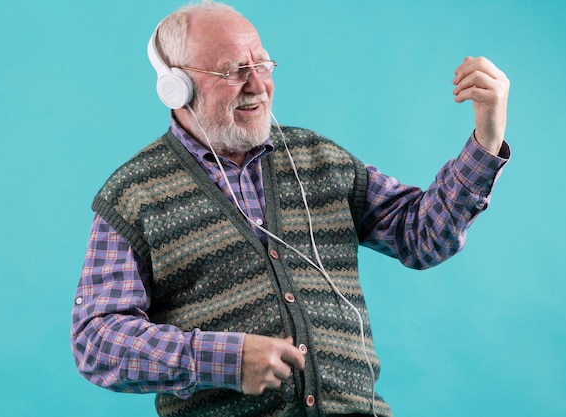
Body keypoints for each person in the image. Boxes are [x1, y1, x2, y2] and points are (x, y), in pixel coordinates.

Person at [70, 1, 510, 416]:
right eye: (235, 71)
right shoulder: (134, 194)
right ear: (176, 86)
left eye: (262, 64)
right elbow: (97, 341)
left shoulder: (318, 159)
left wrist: (487, 138)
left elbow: (423, 236)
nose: (258, 84)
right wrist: (222, 359)